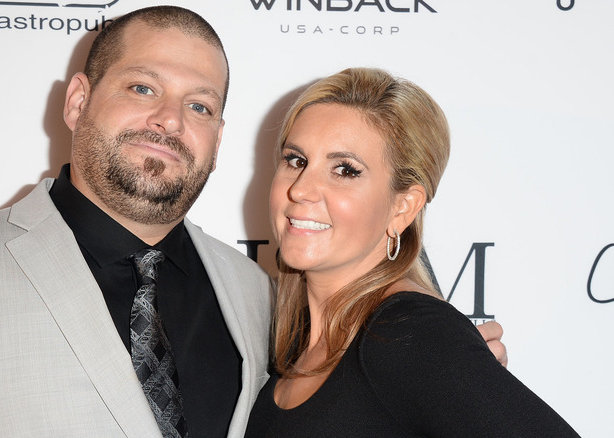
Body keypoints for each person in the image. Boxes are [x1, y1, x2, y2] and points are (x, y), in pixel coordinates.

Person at [0, 6, 506, 438]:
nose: (169, 121)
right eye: (142, 87)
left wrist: (447, 381)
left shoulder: (255, 291)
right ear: (77, 101)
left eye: (201, 105)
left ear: (218, 137)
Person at [244, 68, 580, 437]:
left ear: (403, 207)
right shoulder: (288, 338)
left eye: (344, 169)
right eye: (295, 160)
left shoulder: (408, 332)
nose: (302, 189)